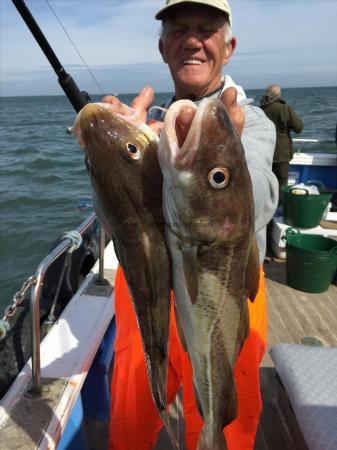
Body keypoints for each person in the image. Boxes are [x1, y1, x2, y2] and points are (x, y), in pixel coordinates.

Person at [104, 1, 279, 449]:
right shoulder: (152, 129)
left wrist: (226, 161)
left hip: (224, 293)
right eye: (180, 29)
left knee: (225, 422)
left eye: (207, 28)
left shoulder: (251, 122)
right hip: (150, 292)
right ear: (164, 48)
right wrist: (123, 154)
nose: (193, 40)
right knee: (132, 414)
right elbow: (122, 218)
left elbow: (260, 192)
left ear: (229, 46)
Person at [260, 84, 304, 205]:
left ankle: (265, 210)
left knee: (266, 184)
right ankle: (278, 210)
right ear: (278, 94)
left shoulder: (260, 110)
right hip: (281, 154)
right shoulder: (284, 108)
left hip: (264, 153)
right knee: (281, 183)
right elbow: (299, 127)